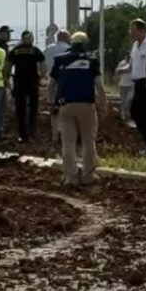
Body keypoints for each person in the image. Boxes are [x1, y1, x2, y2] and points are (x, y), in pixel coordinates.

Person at [49, 32, 105, 186]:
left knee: (68, 143)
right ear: (85, 44)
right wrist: (103, 105)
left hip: (66, 106)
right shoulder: (92, 60)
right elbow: (99, 86)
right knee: (88, 142)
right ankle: (88, 176)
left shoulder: (60, 59)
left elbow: (51, 85)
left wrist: (51, 102)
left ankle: (70, 177)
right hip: (87, 106)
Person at [4, 30, 46, 142]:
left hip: (19, 82)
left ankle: (23, 134)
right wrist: (42, 77)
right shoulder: (35, 50)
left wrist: (6, 78)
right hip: (32, 82)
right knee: (33, 108)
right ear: (31, 39)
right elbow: (43, 66)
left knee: (20, 109)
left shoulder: (15, 50)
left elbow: (7, 66)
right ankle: (32, 131)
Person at [128, 19, 146, 153]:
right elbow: (132, 64)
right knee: (135, 112)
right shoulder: (135, 45)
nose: (131, 33)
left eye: (133, 30)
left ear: (142, 30)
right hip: (137, 83)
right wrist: (123, 70)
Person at [44, 30, 72, 142]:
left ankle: (55, 136)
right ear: (66, 38)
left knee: (54, 110)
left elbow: (43, 65)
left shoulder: (48, 49)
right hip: (66, 83)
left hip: (51, 82)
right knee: (67, 109)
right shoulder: (69, 50)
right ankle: (66, 134)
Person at [115, 55, 134, 123]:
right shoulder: (122, 63)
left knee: (129, 99)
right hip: (122, 84)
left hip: (131, 84)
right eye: (127, 57)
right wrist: (125, 71)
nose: (128, 58)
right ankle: (123, 115)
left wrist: (123, 70)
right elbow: (117, 71)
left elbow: (131, 70)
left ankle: (128, 113)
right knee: (123, 100)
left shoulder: (133, 62)